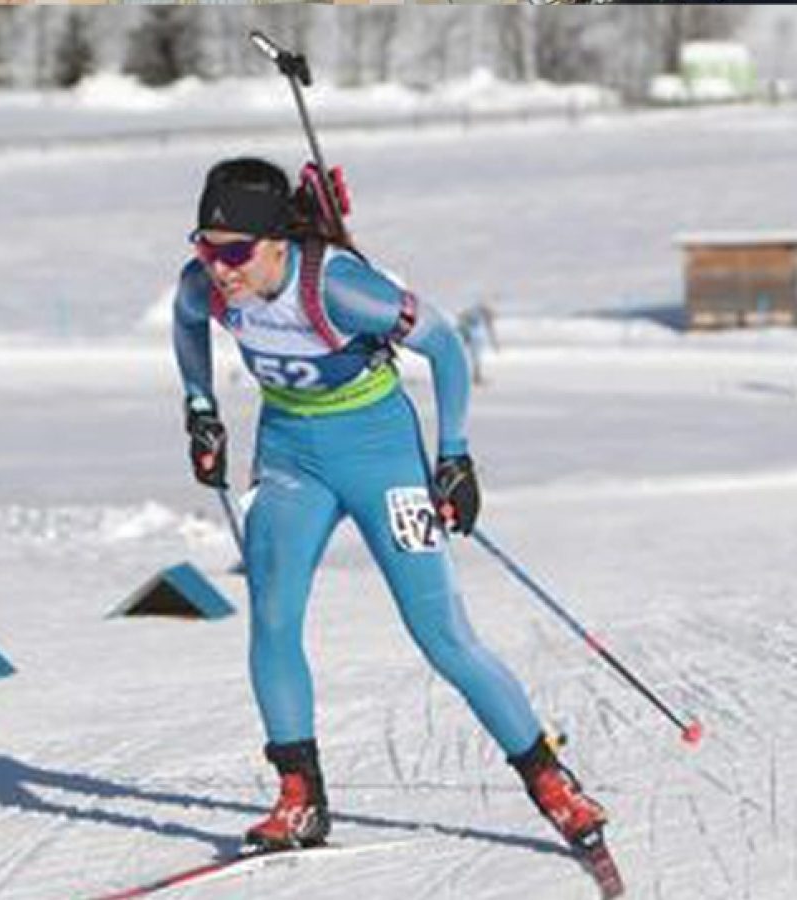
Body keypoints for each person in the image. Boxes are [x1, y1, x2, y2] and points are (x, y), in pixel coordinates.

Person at [170, 157, 608, 854]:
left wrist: (454, 455)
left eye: (233, 251)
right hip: (290, 456)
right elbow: (184, 318)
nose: (218, 267)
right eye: (204, 245)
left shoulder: (341, 288)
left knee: (441, 635)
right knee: (274, 618)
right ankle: (300, 798)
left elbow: (445, 347)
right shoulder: (210, 287)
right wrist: (201, 408)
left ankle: (551, 782)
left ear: (277, 241)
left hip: (382, 457)